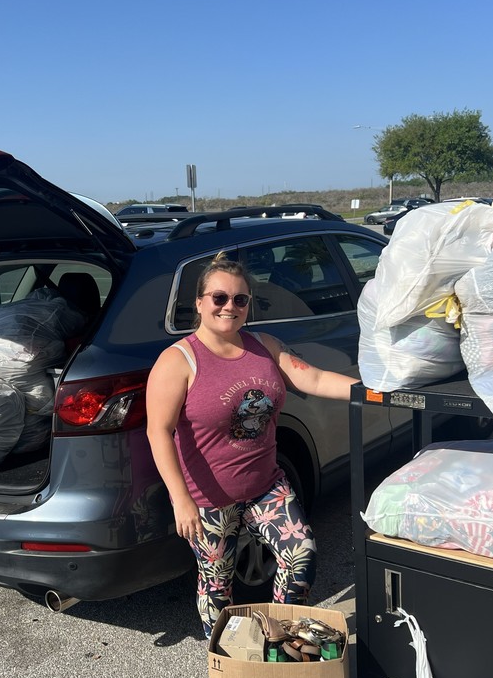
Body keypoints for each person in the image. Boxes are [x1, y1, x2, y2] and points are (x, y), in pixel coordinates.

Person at [146, 251, 360, 638]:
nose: (229, 306)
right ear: (199, 303)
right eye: (219, 297)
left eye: (240, 299)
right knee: (217, 586)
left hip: (266, 487)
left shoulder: (264, 346)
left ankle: (279, 639)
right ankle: (231, 660)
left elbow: (313, 379)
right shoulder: (178, 361)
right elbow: (158, 431)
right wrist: (180, 500)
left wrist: (372, 391)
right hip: (209, 499)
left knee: (301, 556)